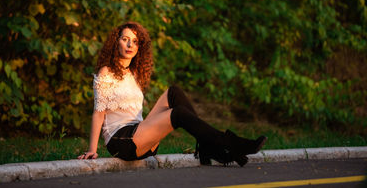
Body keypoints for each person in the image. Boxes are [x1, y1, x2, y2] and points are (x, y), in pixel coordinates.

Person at [78, 21, 266, 166]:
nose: (129, 45)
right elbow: (98, 112)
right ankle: (229, 144)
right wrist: (92, 149)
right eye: (125, 39)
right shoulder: (106, 72)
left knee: (174, 92)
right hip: (122, 142)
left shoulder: (134, 74)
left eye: (135, 41)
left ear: (139, 47)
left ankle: (208, 147)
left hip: (141, 136)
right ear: (116, 42)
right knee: (178, 115)